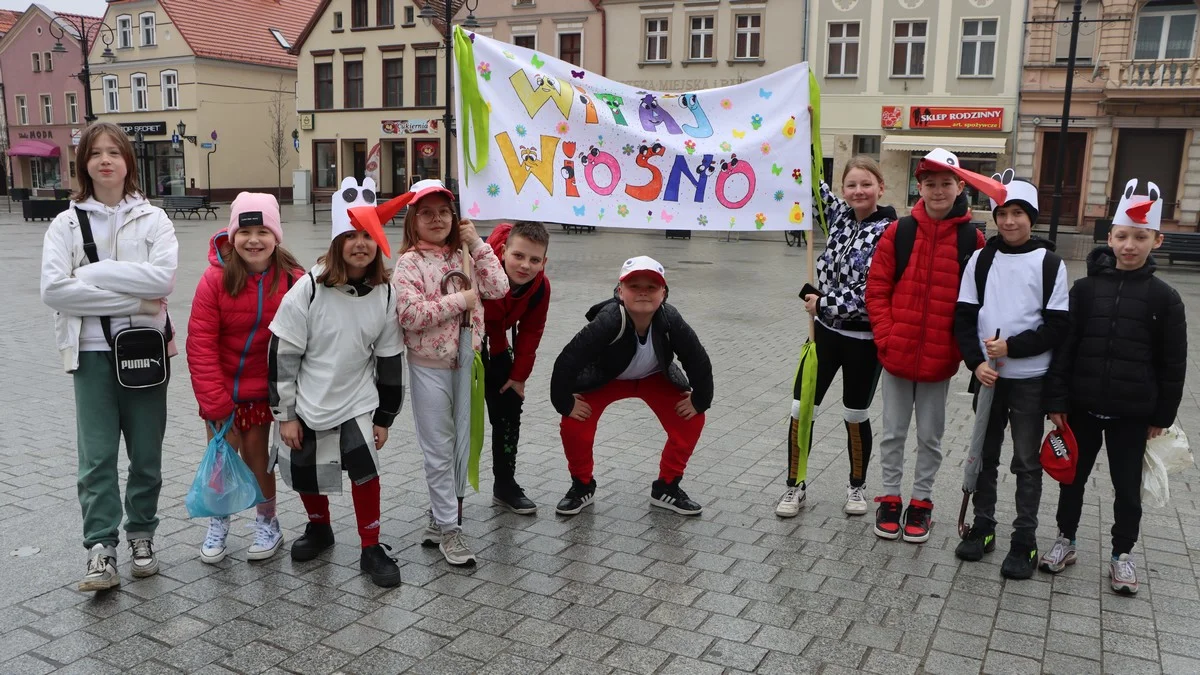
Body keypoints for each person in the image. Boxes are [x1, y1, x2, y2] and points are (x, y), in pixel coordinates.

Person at [40, 122, 178, 591]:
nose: (105, 160)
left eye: (113, 153)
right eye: (95, 153)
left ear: (127, 162)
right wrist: (134, 300)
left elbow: (161, 283)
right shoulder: (65, 223)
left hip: (145, 352)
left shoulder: (154, 219)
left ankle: (141, 534)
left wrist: (94, 273)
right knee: (97, 457)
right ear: (84, 164)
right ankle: (101, 548)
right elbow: (56, 291)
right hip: (91, 352)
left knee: (146, 452)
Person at [1040, 179, 1187, 595]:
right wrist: (1057, 400)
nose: (1129, 245)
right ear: (1109, 238)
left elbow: (1173, 363)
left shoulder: (1165, 298)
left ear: (1156, 240)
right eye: (1122, 236)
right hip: (1082, 407)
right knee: (1073, 479)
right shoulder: (1085, 291)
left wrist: (1162, 415)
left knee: (1127, 488)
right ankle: (1065, 540)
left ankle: (1122, 554)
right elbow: (1065, 350)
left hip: (1132, 412)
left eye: (1140, 237)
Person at [268, 176, 406, 588]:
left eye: (368, 234)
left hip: (357, 399)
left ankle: (370, 545)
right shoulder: (307, 290)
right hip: (309, 397)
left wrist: (384, 415)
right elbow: (282, 353)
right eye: (351, 235)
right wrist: (285, 415)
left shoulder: (384, 293)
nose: (360, 243)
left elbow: (389, 358)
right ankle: (319, 527)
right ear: (336, 241)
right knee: (306, 467)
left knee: (366, 471)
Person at [864, 148, 998, 543]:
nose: (938, 191)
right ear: (918, 187)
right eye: (930, 184)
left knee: (930, 437)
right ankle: (890, 498)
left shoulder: (971, 240)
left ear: (960, 187)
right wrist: (887, 337)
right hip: (897, 355)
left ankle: (921, 502)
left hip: (940, 361)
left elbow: (976, 303)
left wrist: (960, 350)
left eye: (946, 184)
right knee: (892, 433)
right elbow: (877, 290)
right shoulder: (899, 232)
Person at [952, 171, 1070, 578]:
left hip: (1029, 378)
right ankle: (983, 526)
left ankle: (1025, 538)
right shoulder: (982, 259)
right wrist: (976, 361)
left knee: (1024, 460)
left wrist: (1012, 347)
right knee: (984, 454)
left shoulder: (1050, 264)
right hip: (988, 376)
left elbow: (1057, 327)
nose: (1008, 222)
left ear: (1031, 218)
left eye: (1017, 213)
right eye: (1002, 213)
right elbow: (964, 317)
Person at [392, 179, 509, 567]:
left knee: (462, 443)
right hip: (430, 367)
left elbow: (498, 287)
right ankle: (450, 528)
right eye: (427, 213)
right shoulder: (409, 262)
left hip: (468, 364)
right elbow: (409, 314)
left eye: (443, 212)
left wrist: (478, 244)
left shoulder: (466, 255)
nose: (436, 219)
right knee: (439, 449)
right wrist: (460, 299)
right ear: (414, 219)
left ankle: (440, 515)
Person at [187, 193, 304, 564]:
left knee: (257, 462)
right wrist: (215, 402)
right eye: (245, 232)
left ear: (276, 236)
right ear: (232, 236)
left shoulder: (292, 279)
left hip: (261, 393)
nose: (254, 240)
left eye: (263, 231)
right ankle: (218, 524)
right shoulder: (215, 279)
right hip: (221, 394)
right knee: (221, 463)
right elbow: (200, 343)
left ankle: (268, 522)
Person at [778, 155, 897, 518]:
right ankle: (794, 485)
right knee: (801, 408)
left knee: (855, 413)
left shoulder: (891, 232)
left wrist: (824, 303)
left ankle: (857, 486)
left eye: (866, 184)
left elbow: (872, 291)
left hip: (863, 341)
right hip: (824, 335)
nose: (858, 191)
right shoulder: (840, 216)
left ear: (880, 187)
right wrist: (806, 130)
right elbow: (815, 187)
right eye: (851, 185)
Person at [551, 256, 713, 516]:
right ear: (619, 291)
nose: (643, 292)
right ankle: (582, 486)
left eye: (651, 287)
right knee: (574, 423)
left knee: (691, 419)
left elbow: (698, 361)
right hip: (607, 378)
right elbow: (568, 360)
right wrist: (565, 403)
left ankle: (667, 488)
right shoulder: (609, 321)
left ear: (664, 293)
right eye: (634, 286)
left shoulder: (670, 320)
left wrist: (700, 400)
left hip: (653, 377)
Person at [482, 221, 551, 514]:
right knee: (458, 422)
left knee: (509, 410)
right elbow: (491, 309)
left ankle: (505, 484)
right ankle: (448, 495)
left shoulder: (540, 287)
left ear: (544, 262)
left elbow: (532, 331)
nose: (525, 265)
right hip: (462, 347)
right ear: (503, 250)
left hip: (497, 348)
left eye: (534, 260)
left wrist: (519, 377)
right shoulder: (477, 262)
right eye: (518, 256)